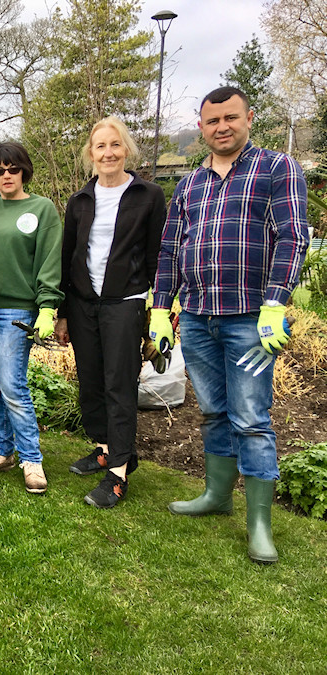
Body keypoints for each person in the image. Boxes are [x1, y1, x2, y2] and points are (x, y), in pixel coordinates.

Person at [151, 86, 309, 564]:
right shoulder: (190, 184)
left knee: (252, 421)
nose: (221, 127)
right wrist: (161, 309)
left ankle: (259, 524)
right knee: (214, 412)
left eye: (230, 118)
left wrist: (275, 304)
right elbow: (170, 250)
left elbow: (293, 237)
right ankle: (217, 495)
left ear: (248, 118)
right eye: (212, 120)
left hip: (249, 320)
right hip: (197, 317)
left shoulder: (277, 168)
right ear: (201, 126)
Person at [55, 117, 166, 508]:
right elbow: (69, 259)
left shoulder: (148, 195)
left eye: (115, 145)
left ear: (127, 150)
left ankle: (117, 473)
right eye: (100, 146)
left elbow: (157, 256)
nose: (108, 153)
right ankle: (105, 447)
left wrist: (160, 311)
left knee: (119, 384)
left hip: (125, 302)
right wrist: (64, 314)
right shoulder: (79, 201)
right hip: (85, 304)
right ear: (90, 153)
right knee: (91, 383)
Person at [0, 141, 63, 494]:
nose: (6, 175)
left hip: (16, 309)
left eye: (13, 169)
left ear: (24, 170)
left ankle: (31, 459)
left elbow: (51, 261)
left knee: (13, 386)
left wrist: (48, 306)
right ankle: (2, 451)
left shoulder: (42, 209)